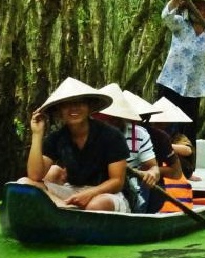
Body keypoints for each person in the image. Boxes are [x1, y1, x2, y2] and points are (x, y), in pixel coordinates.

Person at [18, 77, 130, 212]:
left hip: (106, 194)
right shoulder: (57, 138)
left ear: (89, 107)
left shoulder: (112, 135)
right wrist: (37, 134)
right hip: (71, 192)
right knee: (24, 183)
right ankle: (65, 208)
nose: (74, 108)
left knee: (96, 205)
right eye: (67, 104)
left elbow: (117, 181)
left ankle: (63, 210)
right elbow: (35, 176)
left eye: (80, 103)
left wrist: (90, 193)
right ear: (59, 111)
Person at [155, 0, 205, 146]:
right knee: (164, 124)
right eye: (198, 8)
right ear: (190, 9)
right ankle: (160, 161)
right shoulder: (181, 24)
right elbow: (166, 16)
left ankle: (186, 167)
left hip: (193, 89)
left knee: (188, 128)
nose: (202, 12)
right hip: (170, 83)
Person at [95, 83, 162, 213]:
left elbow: (153, 168)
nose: (108, 122)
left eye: (113, 118)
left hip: (126, 190)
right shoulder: (84, 132)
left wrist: (152, 174)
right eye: (104, 118)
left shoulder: (139, 134)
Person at [123, 90, 187, 213]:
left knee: (142, 183)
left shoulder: (158, 136)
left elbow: (176, 172)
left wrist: (143, 172)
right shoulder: (102, 133)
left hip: (150, 191)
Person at [150, 96, 197, 181]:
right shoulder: (148, 134)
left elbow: (187, 150)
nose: (163, 125)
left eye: (166, 123)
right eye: (159, 123)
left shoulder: (177, 136)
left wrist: (165, 145)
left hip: (172, 170)